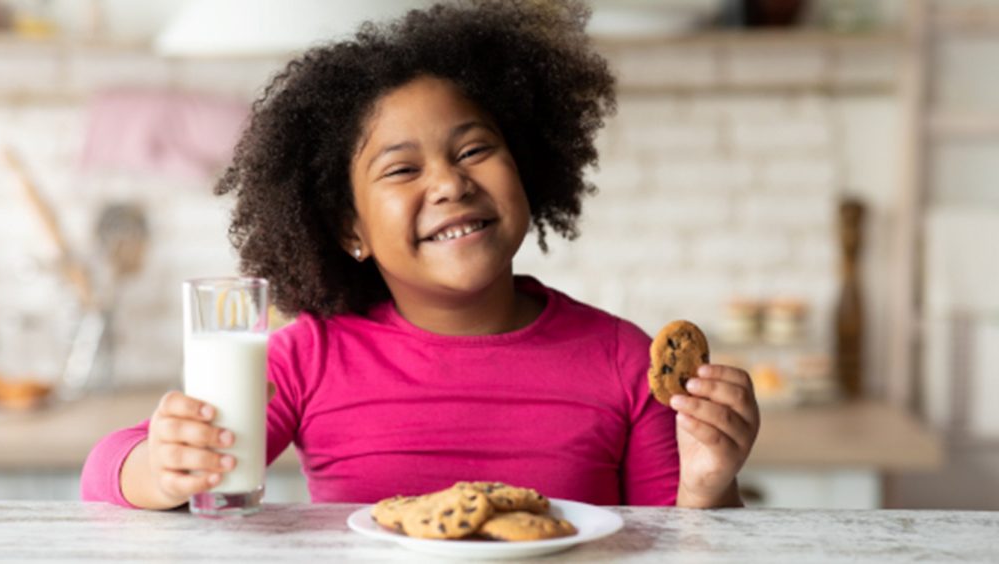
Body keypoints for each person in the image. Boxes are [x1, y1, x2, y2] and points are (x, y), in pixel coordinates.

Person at [81, 0, 759, 510]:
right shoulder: (310, 358)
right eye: (401, 171)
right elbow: (101, 474)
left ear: (526, 168)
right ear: (352, 229)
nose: (449, 182)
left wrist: (710, 485)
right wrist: (159, 463)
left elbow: (682, 544)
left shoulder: (622, 361)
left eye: (473, 151)